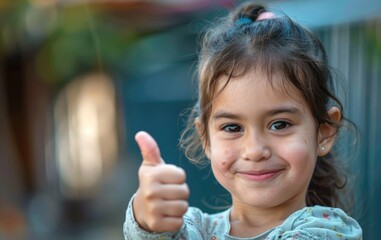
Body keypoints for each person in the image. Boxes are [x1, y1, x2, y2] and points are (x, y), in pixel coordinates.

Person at [123, 2, 362, 239]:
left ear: (325, 131)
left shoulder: (327, 232)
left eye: (280, 124)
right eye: (232, 127)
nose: (255, 150)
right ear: (205, 137)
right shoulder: (195, 228)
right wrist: (147, 218)